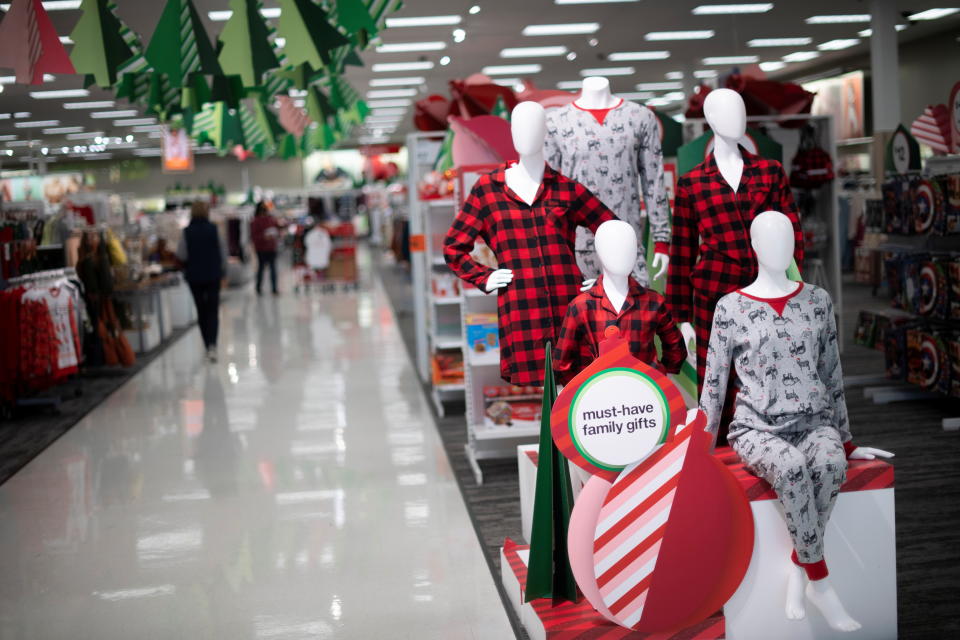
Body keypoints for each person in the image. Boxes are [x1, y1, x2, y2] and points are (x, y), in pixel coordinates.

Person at [177, 201, 226, 362]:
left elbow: (182, 255)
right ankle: (212, 345)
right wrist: (223, 270)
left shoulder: (186, 232)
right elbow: (222, 251)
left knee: (201, 310)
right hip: (213, 275)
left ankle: (207, 345)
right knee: (213, 310)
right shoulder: (214, 229)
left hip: (195, 276)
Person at [250, 201, 280, 295]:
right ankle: (259, 288)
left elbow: (277, 229)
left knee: (271, 268)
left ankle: (273, 288)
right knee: (262, 268)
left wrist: (274, 235)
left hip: (270, 247)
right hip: (262, 248)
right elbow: (254, 236)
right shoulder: (256, 221)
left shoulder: (270, 219)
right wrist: (264, 237)